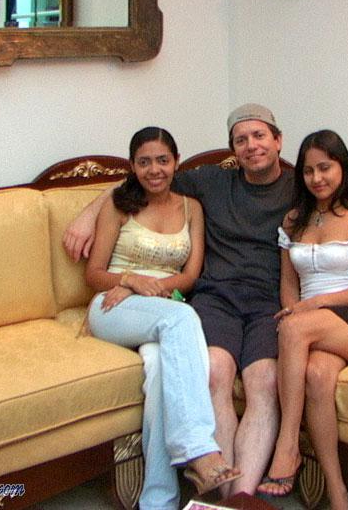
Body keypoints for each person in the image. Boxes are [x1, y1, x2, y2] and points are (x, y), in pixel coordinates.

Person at [64, 104, 348, 496]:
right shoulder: (211, 181)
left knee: (264, 383)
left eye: (259, 136)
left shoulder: (304, 183)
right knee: (214, 373)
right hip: (216, 299)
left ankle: (239, 497)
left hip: (269, 305)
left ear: (278, 141)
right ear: (233, 149)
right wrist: (90, 213)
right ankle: (228, 496)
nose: (251, 146)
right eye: (241, 140)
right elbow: (148, 178)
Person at [84, 126, 240, 510]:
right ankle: (198, 447)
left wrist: (149, 288)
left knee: (158, 369)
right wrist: (129, 280)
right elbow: (94, 274)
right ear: (132, 166)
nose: (154, 170)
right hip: (113, 306)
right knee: (183, 319)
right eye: (144, 162)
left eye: (162, 160)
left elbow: (190, 276)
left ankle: (158, 500)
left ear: (176, 162)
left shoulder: (191, 208)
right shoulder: (119, 205)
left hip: (161, 304)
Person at [257, 130, 348, 510]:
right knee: (318, 375)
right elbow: (289, 286)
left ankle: (287, 444)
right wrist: (297, 308)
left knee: (293, 327)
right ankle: (339, 494)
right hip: (315, 322)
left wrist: (317, 304)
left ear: (342, 168)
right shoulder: (293, 220)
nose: (317, 178)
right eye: (308, 171)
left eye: (325, 168)